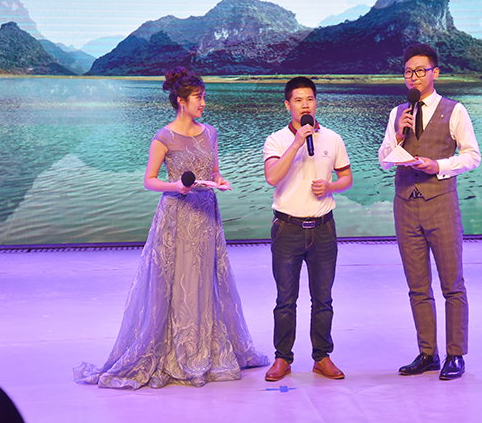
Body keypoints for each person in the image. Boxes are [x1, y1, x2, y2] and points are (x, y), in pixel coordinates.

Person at [73, 66, 268, 389]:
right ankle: (180, 351)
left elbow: (214, 171)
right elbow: (150, 180)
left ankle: (204, 347)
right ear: (181, 101)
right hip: (177, 214)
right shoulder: (163, 137)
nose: (203, 103)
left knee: (206, 280)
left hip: (206, 215)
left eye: (203, 97)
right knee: (178, 282)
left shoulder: (210, 133)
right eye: (198, 97)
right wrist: (176, 186)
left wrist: (219, 181)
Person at [378, 43, 481, 380]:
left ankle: (456, 354)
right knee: (417, 285)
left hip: (441, 203)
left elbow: (472, 155)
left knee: (452, 283)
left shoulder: (455, 110)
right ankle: (427, 353)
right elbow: (384, 160)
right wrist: (398, 135)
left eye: (420, 71)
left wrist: (438, 165)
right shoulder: (398, 112)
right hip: (405, 205)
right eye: (408, 72)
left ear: (435, 72)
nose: (414, 77)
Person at [262, 76, 353, 381]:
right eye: (298, 100)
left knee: (323, 299)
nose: (305, 105)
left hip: (324, 229)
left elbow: (346, 178)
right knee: (285, 300)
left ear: (316, 103)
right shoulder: (276, 140)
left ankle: (322, 357)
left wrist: (330, 186)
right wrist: (297, 142)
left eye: (310, 99)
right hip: (287, 229)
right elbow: (272, 177)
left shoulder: (333, 138)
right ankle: (282, 358)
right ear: (287, 105)